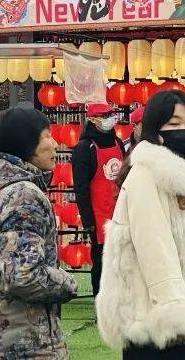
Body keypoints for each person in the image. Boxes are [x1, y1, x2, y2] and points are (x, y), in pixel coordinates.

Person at [96, 90, 185, 359]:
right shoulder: (147, 175)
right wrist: (173, 309)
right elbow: (154, 246)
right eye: (174, 123)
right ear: (155, 130)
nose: (184, 130)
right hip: (163, 325)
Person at [0, 106, 78, 359]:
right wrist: (67, 283)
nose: (55, 144)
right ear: (25, 144)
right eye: (47, 136)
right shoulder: (22, 196)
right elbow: (24, 276)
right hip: (18, 341)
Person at [71, 102, 125, 296]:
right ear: (93, 120)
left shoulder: (118, 143)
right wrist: (88, 221)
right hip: (98, 214)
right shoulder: (84, 148)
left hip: (121, 211)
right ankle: (100, 299)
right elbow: (81, 188)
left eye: (110, 115)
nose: (109, 119)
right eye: (104, 116)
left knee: (123, 259)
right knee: (102, 261)